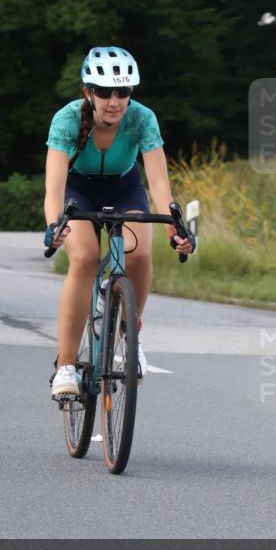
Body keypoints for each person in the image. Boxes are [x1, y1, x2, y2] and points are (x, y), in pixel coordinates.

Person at [43, 46, 194, 398]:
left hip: (125, 188)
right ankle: (66, 366)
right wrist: (54, 226)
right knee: (84, 258)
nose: (114, 101)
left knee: (140, 256)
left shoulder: (142, 118)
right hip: (77, 191)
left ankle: (129, 337)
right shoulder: (67, 119)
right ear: (88, 93)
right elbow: (54, 186)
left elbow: (158, 184)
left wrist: (176, 227)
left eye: (123, 91)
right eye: (105, 92)